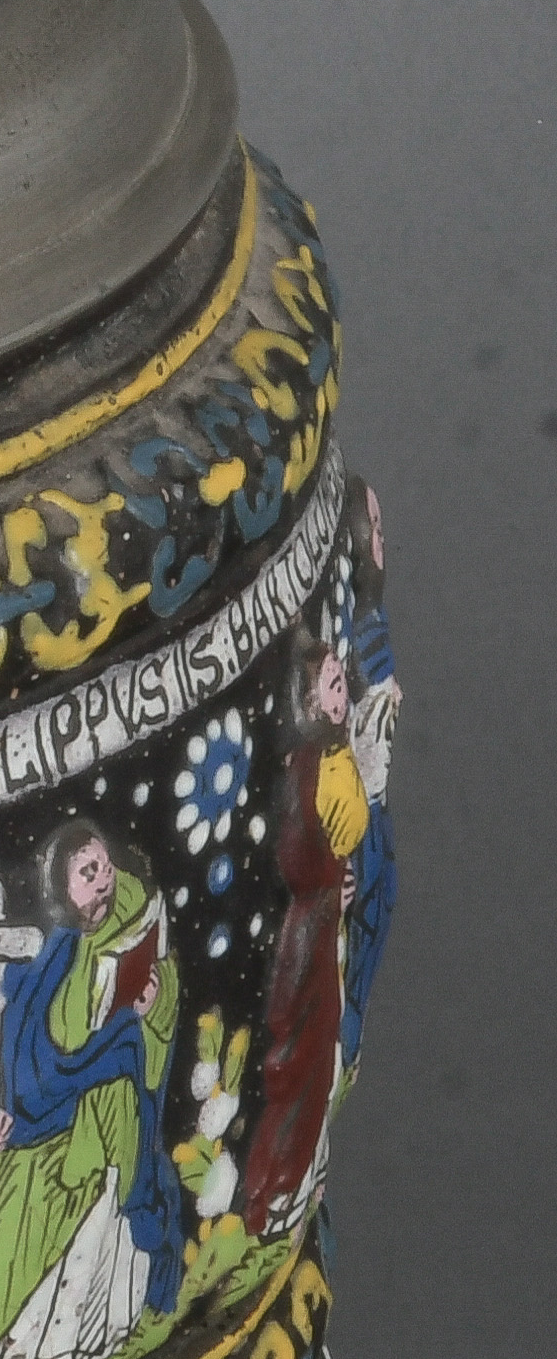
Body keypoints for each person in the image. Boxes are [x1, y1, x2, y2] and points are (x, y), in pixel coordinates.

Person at [0, 821, 184, 1359]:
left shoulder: (137, 922)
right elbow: (17, 1042)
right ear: (61, 892)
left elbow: (155, 1017)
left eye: (105, 866)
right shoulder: (50, 954)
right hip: (46, 1123)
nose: (103, 881)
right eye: (86, 873)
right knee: (15, 1236)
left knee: (95, 1241)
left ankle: (71, 1356)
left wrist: (152, 1010)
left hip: (109, 1121)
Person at [242, 641, 371, 1235]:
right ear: (311, 702)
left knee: (324, 1056)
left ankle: (301, 1178)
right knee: (302, 1056)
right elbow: (295, 855)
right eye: (334, 688)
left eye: (344, 684)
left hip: (329, 918)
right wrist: (326, 891)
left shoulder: (337, 755)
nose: (344, 697)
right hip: (309, 929)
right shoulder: (307, 768)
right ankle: (274, 1187)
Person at [338, 491, 401, 1080]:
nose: (381, 541)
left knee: (380, 902)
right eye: (373, 528)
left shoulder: (366, 625)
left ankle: (345, 1046)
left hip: (371, 808)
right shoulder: (357, 637)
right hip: (357, 815)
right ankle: (343, 1040)